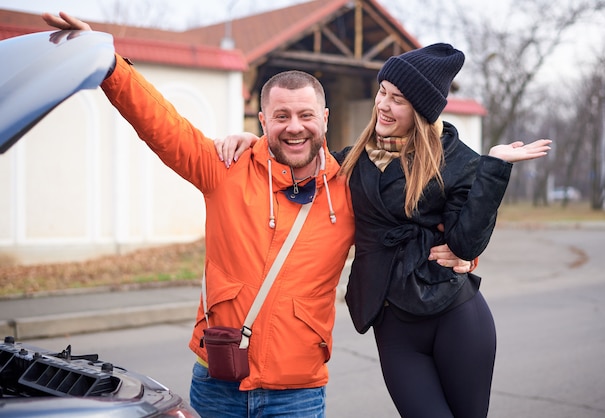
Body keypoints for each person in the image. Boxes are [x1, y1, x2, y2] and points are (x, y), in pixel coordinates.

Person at [41, 13, 472, 418]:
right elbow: (162, 125)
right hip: (217, 384)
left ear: (324, 118)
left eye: (305, 115)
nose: (294, 126)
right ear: (262, 118)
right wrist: (110, 66)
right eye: (281, 116)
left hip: (298, 395)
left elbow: (413, 225)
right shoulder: (225, 169)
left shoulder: (349, 189)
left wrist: (460, 249)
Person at [218, 45, 550, 417]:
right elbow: (297, 152)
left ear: (421, 111)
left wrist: (495, 167)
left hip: (456, 315)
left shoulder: (459, 161)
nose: (384, 106)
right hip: (392, 322)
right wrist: (253, 143)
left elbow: (464, 242)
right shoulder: (351, 161)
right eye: (383, 93)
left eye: (399, 100)